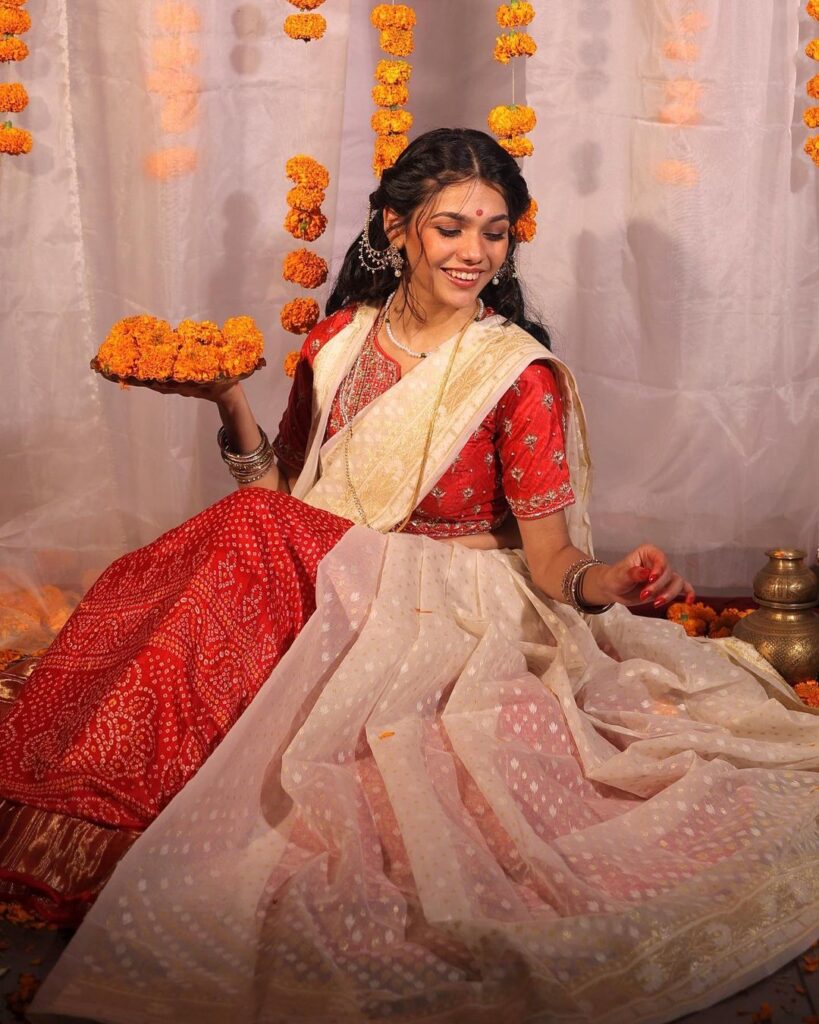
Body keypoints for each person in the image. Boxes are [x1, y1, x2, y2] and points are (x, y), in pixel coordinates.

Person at [5, 129, 818, 1024]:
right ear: (396, 229)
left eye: (495, 232)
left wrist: (611, 582)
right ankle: (99, 811)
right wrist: (227, 401)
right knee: (204, 557)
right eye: (451, 229)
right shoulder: (333, 344)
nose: (475, 252)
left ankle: (123, 816)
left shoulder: (517, 375)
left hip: (450, 598)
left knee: (234, 557)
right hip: (319, 569)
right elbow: (284, 502)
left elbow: (548, 562)